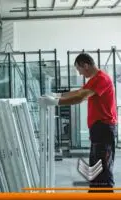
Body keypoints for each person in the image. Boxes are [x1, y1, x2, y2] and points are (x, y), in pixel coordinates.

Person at [39, 53, 117, 193]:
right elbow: (79, 91)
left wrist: (57, 102)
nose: (79, 73)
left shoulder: (102, 79)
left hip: (104, 129)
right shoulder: (94, 79)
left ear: (85, 65)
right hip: (98, 130)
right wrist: (58, 95)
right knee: (96, 170)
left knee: (103, 170)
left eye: (79, 69)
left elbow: (81, 97)